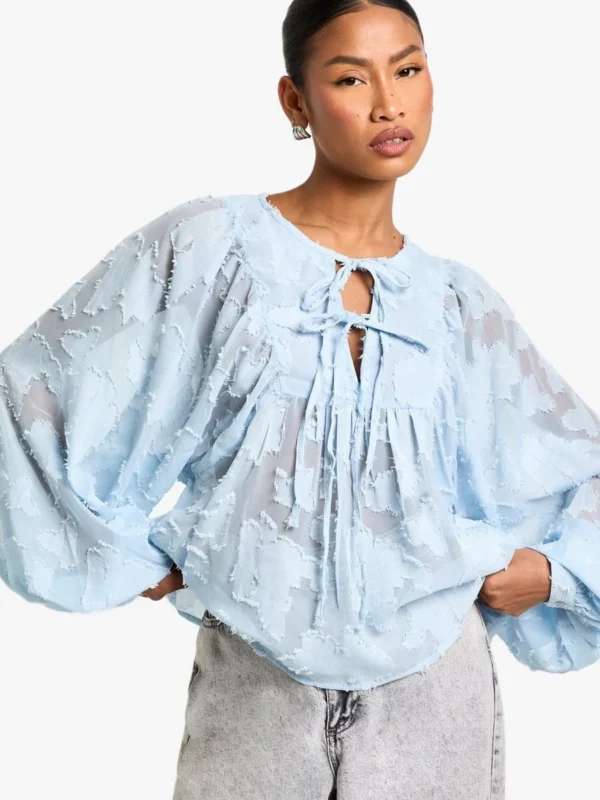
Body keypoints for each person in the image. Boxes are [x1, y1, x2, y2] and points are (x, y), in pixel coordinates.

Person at [2, 1, 600, 798]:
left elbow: (577, 466)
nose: (388, 103)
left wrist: (553, 571)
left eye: (408, 69)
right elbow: (31, 395)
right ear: (296, 100)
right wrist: (125, 552)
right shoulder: (213, 246)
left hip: (438, 684)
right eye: (351, 79)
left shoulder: (458, 305)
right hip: (255, 678)